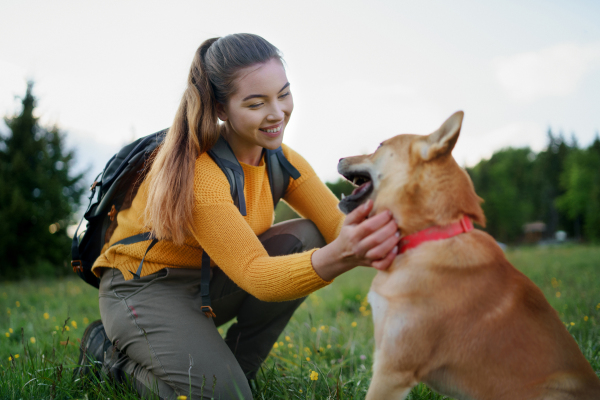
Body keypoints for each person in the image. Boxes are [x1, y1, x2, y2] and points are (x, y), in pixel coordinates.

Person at [75, 33, 400, 400]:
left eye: (284, 94)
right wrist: (340, 257)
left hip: (209, 280)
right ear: (220, 108)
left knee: (309, 236)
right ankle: (108, 358)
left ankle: (236, 370)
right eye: (256, 103)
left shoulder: (281, 160)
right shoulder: (201, 173)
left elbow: (338, 227)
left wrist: (409, 241)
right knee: (226, 397)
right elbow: (256, 275)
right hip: (145, 289)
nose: (277, 113)